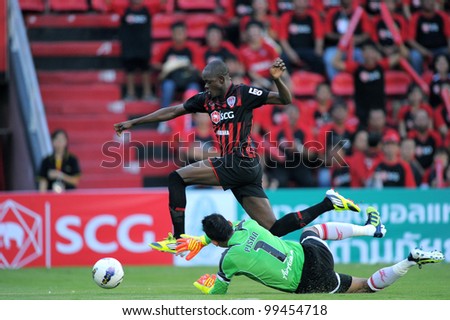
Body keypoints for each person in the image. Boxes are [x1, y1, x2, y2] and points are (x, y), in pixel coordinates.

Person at [114, 58, 360, 254]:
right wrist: (135, 122)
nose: (206, 87)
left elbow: (285, 99)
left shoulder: (245, 93)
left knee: (177, 178)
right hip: (246, 168)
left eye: (209, 83)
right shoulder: (208, 100)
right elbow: (173, 111)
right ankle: (328, 203)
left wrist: (277, 80)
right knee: (273, 229)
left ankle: (178, 240)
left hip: (239, 161)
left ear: (221, 79)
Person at [178, 211, 444, 295]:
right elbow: (231, 227)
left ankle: (409, 261)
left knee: (365, 287)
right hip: (311, 255)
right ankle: (370, 230)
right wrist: (204, 240)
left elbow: (219, 292)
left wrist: (204, 286)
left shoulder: (229, 260)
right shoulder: (247, 223)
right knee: (313, 231)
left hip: (308, 281)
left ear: (215, 241)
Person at [119, 0, 154, 101]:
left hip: (144, 46)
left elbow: (162, 4)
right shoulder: (124, 9)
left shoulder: (148, 9)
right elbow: (109, 4)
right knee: (129, 70)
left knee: (145, 70)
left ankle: (147, 94)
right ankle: (130, 94)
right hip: (129, 46)